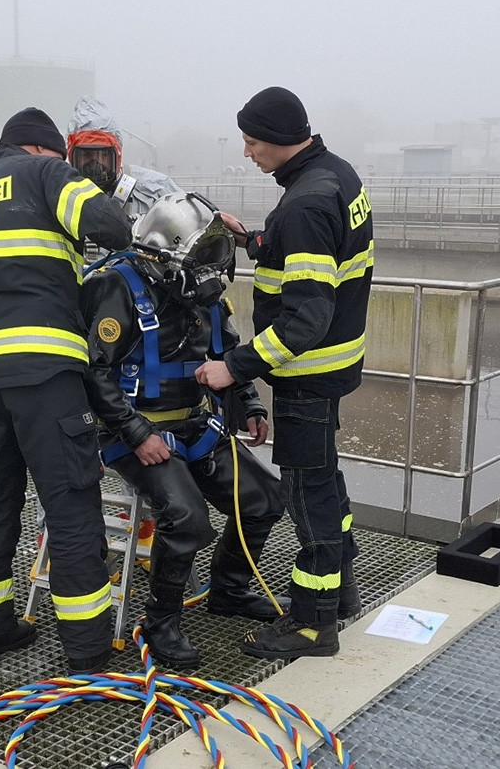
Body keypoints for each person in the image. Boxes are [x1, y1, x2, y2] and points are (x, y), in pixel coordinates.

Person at [0, 106, 131, 674]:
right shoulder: (46, 175)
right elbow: (109, 225)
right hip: (46, 372)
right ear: (46, 150)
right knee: (70, 505)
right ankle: (89, 650)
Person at [195, 86, 374, 660]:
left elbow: (306, 319)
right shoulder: (334, 176)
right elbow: (310, 258)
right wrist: (252, 239)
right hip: (337, 367)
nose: (247, 152)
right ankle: (340, 594)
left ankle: (310, 624)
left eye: (251, 142)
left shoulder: (304, 204)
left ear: (275, 140)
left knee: (307, 493)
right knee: (328, 481)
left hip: (307, 376)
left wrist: (233, 367)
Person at [80, 191, 285, 669]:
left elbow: (226, 352)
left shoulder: (203, 294)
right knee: (188, 520)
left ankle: (229, 590)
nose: (209, 274)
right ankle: (160, 622)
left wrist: (249, 403)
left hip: (198, 426)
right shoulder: (118, 288)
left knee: (265, 501)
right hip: (133, 432)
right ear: (162, 255)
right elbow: (93, 372)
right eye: (199, 261)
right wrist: (135, 433)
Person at [65, 95, 182, 223]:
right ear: (71, 155)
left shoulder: (155, 191)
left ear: (118, 154)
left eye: (103, 155)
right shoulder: (58, 193)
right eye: (86, 154)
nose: (95, 163)